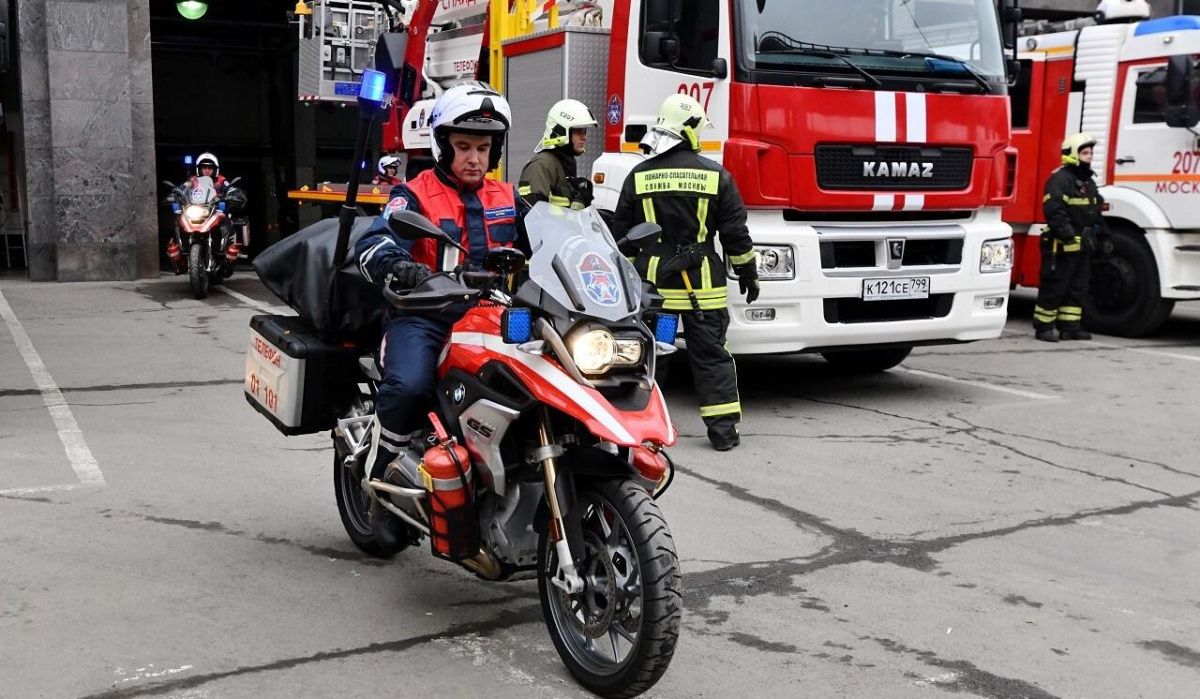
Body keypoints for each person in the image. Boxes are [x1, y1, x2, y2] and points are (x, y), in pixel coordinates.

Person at [352, 81, 528, 547]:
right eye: (464, 146)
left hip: (494, 318)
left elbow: (552, 242)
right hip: (426, 316)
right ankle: (384, 480)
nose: (475, 157)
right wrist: (403, 267)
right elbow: (373, 243)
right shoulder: (414, 194)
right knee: (410, 385)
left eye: (484, 148)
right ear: (442, 145)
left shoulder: (509, 197)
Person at [610, 94, 758, 452]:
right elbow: (735, 234)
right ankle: (723, 432)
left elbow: (622, 236)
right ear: (689, 129)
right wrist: (748, 274)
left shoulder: (639, 175)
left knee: (653, 355)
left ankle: (645, 434)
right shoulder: (716, 175)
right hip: (702, 289)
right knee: (711, 355)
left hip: (656, 289)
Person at [1033, 132, 1112, 342]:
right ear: (1072, 155)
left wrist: (1104, 236)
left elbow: (1095, 211)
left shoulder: (1087, 181)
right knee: (1055, 286)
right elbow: (1054, 210)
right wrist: (1068, 236)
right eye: (1085, 152)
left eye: (1090, 152)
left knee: (1078, 287)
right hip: (1061, 245)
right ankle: (1043, 328)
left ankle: (1070, 327)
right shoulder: (1060, 179)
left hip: (1082, 245)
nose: (1089, 156)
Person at [517, 98, 598, 209]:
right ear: (561, 131)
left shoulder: (564, 162)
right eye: (579, 131)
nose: (584, 137)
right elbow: (533, 217)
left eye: (584, 131)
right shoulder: (541, 166)